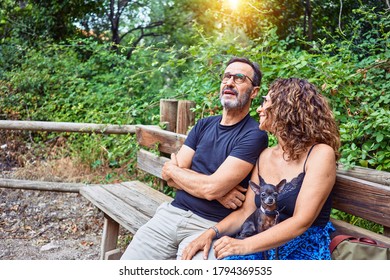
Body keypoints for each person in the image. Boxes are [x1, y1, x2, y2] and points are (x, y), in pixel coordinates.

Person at [120, 57, 269, 260]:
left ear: (254, 92)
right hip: (171, 213)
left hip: (210, 225)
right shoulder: (203, 125)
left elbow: (207, 185)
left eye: (239, 78)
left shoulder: (254, 134)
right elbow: (169, 176)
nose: (230, 82)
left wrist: (187, 177)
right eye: (226, 76)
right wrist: (216, 192)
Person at [182, 77, 341, 260]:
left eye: (265, 102)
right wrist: (211, 232)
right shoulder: (265, 155)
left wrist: (242, 246)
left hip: (300, 246)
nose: (259, 108)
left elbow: (301, 221)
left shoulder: (320, 154)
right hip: (259, 241)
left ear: (285, 108)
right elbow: (246, 212)